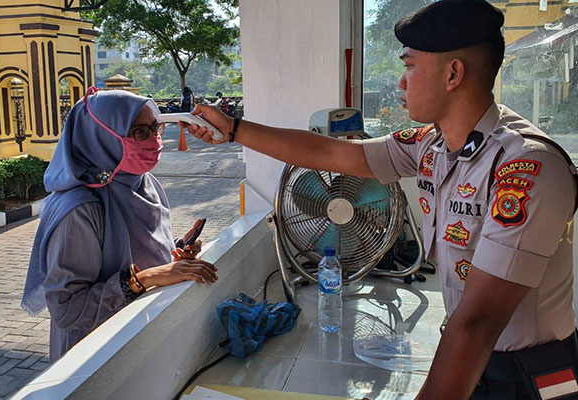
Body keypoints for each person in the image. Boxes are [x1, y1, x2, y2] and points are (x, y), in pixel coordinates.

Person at [183, 1, 578, 398]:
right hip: (470, 358)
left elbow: (479, 322)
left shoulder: (526, 168)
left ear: (453, 74)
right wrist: (233, 129)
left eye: (409, 66)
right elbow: (334, 154)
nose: (401, 83)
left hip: (527, 377)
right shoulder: (433, 145)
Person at [22, 88, 218, 362]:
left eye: (155, 128)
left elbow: (133, 255)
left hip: (142, 339)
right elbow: (67, 309)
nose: (154, 140)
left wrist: (173, 255)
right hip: (95, 357)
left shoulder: (143, 183)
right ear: (102, 137)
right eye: (139, 132)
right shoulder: (79, 210)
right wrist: (143, 279)